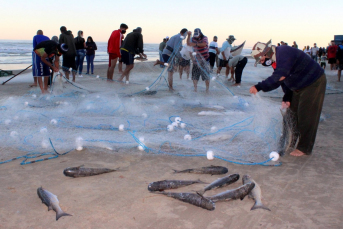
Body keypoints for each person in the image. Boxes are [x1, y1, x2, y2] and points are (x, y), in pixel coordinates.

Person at [250, 40, 326, 157]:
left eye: (260, 59)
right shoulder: (276, 60)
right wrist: (287, 97)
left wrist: (258, 86)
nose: (261, 62)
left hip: (313, 83)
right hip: (297, 87)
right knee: (290, 115)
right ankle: (289, 142)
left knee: (306, 115)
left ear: (265, 53)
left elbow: (279, 76)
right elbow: (282, 81)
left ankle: (304, 148)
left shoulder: (283, 53)